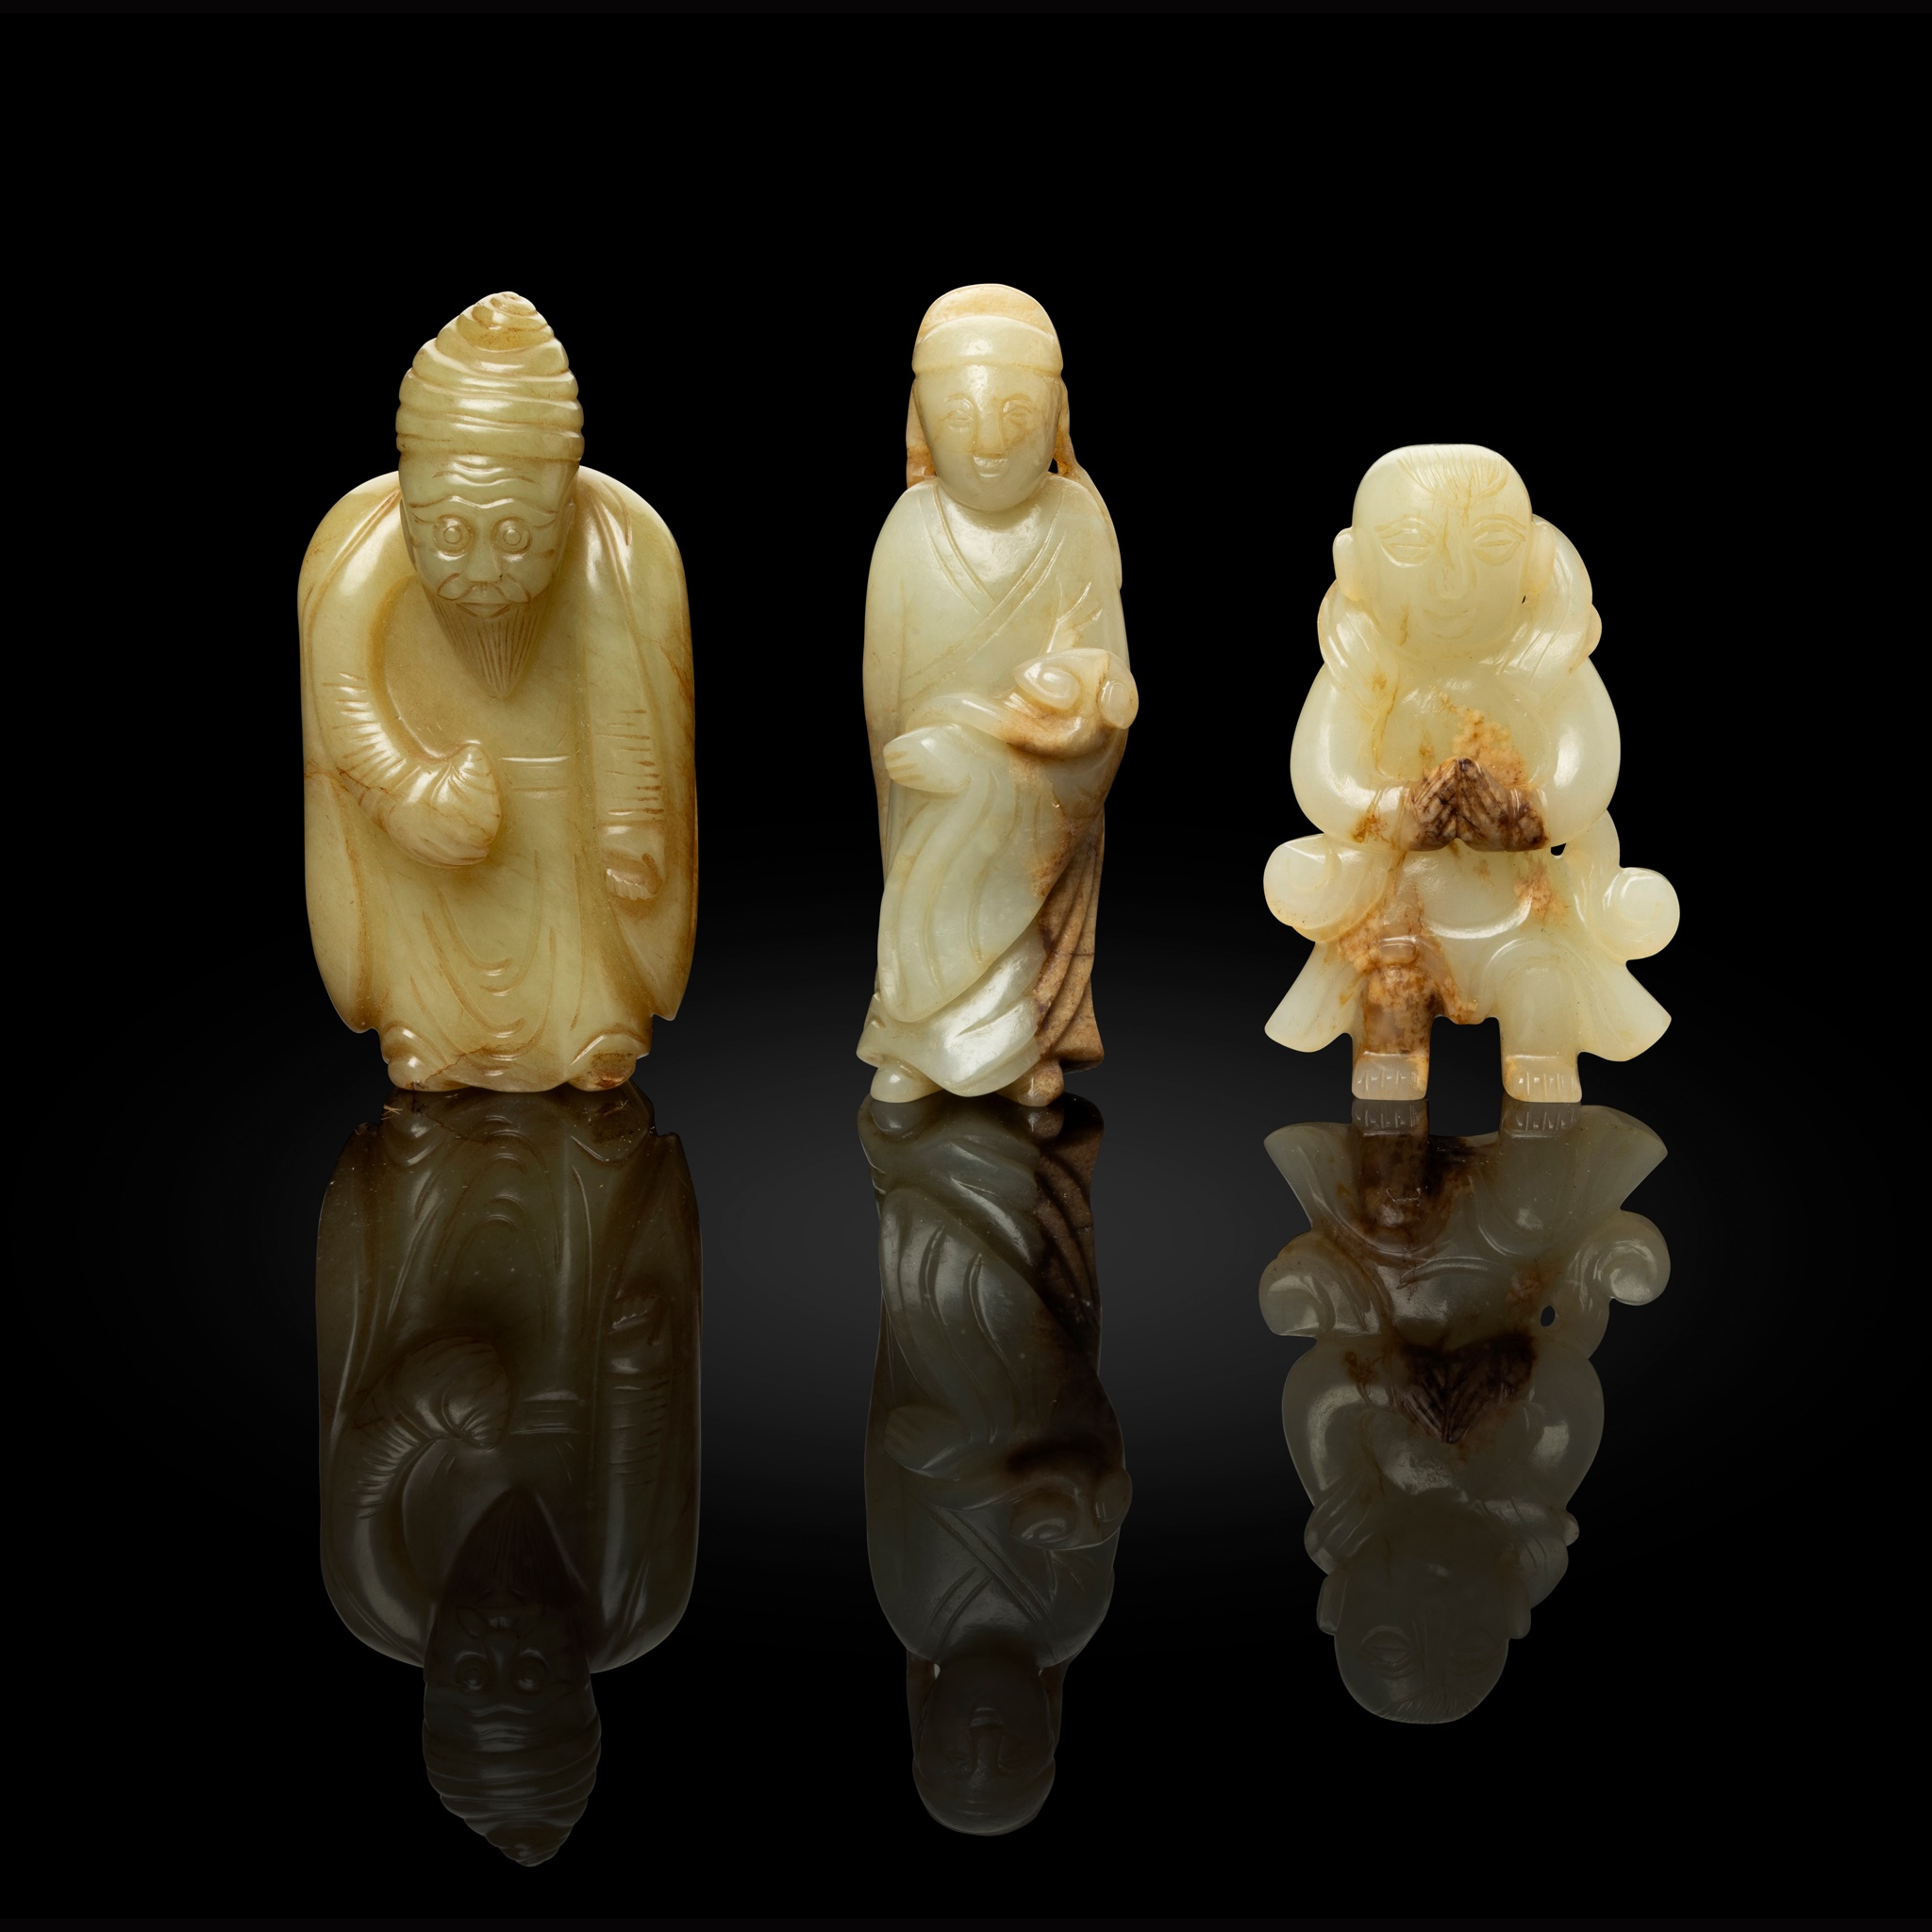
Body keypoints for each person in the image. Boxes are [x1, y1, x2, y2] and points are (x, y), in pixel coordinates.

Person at [301, 292, 695, 1092]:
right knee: (426, 919)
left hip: (566, 820)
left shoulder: (616, 545)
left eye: (516, 535)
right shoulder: (360, 550)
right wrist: (400, 791)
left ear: (562, 503)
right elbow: (341, 700)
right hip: (429, 830)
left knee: (581, 956)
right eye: (448, 533)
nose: (481, 571)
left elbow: (636, 714)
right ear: (410, 500)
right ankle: (424, 1031)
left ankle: (595, 1029)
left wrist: (631, 823)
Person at [1265, 444, 1676, 1102]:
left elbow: (1589, 769)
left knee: (1542, 981)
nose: (1451, 583)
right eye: (1410, 544)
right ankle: (1392, 1056)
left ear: (1533, 562)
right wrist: (1399, 814)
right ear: (1353, 567)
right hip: (1404, 909)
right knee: (1391, 979)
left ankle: (1540, 1056)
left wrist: (1522, 815)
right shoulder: (1366, 670)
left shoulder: (1547, 666)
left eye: (1490, 544)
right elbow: (1323, 775)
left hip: (1522, 909)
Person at [858, 285, 1137, 1106]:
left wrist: (1052, 718)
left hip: (1042, 787)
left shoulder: (1075, 520)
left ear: (1056, 419)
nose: (987, 442)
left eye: (1016, 414)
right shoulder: (909, 527)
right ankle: (916, 1045)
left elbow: (1109, 680)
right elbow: (884, 697)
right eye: (960, 414)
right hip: (927, 793)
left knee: (1027, 896)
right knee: (925, 892)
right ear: (922, 422)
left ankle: (1021, 1046)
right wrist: (913, 761)